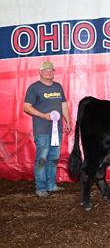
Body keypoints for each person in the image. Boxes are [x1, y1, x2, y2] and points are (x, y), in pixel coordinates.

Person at [24, 61, 72, 198]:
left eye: (51, 70)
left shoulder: (58, 87)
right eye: (46, 70)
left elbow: (63, 105)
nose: (49, 73)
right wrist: (43, 116)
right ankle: (40, 187)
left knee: (54, 157)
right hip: (42, 131)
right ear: (40, 72)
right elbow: (26, 107)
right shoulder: (34, 88)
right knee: (42, 158)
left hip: (57, 130)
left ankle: (51, 185)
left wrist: (67, 121)